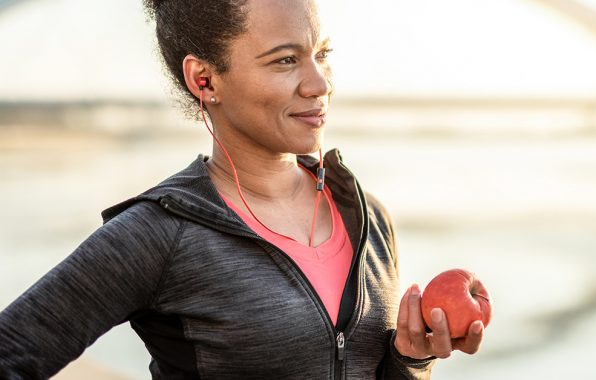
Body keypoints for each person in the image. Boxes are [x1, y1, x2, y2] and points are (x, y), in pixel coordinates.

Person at [0, 0, 485, 378]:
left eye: (322, 55)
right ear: (204, 79)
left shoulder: (368, 217)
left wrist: (411, 359)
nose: (319, 84)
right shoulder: (160, 233)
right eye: (285, 61)